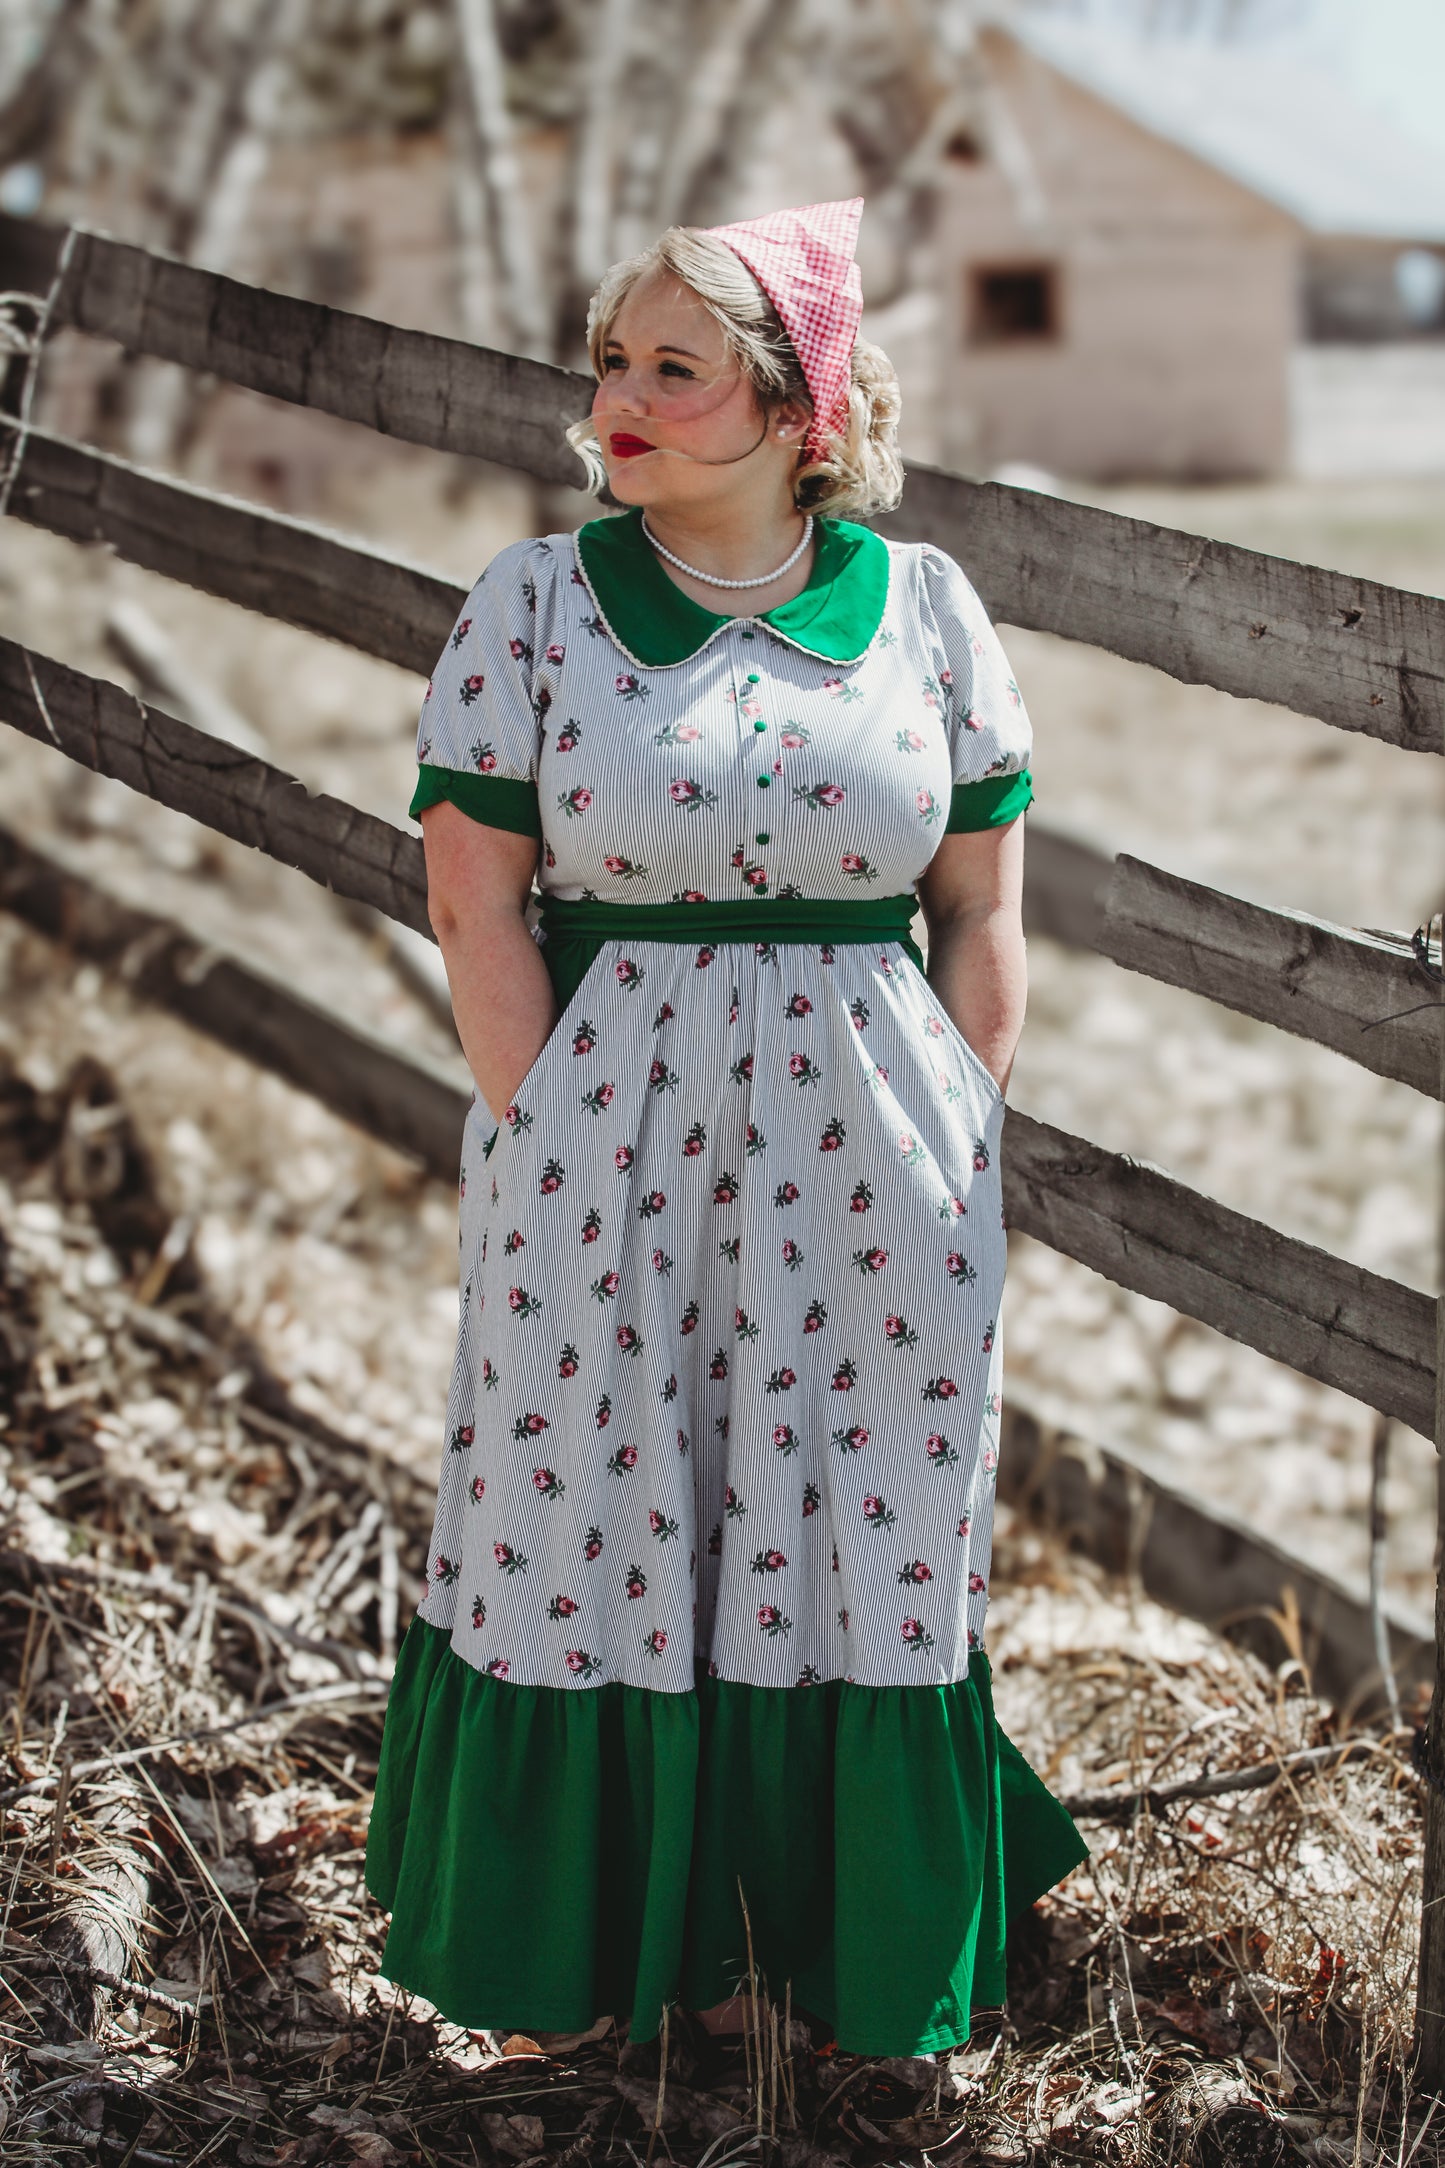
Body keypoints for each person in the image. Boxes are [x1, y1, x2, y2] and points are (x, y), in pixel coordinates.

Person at [364, 197, 1089, 2058]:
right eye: (611, 360)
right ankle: (576, 1972)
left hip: (882, 1161)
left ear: (795, 409)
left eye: (672, 369)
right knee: (583, 1515)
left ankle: (817, 1970)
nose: (616, 397)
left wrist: (952, 1123)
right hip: (598, 1135)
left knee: (865, 1528)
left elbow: (980, 906)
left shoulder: (927, 613)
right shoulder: (532, 603)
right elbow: (470, 897)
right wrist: (542, 1126)